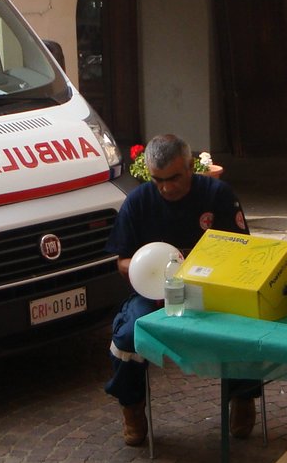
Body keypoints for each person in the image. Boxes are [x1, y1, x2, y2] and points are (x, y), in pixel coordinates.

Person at [105, 134, 262, 446]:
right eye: (157, 180)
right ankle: (132, 408)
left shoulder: (217, 194)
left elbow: (244, 250)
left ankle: (243, 397)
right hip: (155, 295)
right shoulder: (138, 202)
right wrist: (145, 264)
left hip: (212, 291)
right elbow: (121, 261)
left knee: (243, 328)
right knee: (125, 338)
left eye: (174, 178)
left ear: (191, 167)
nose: (165, 187)